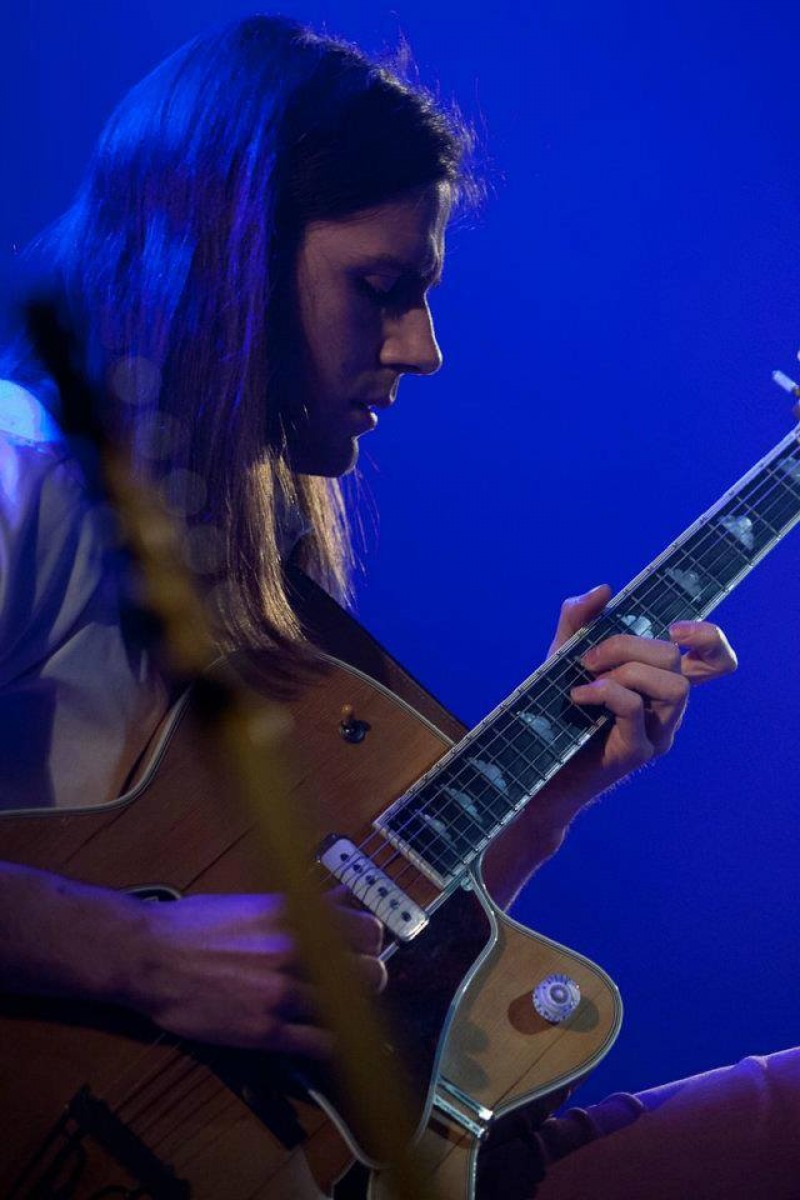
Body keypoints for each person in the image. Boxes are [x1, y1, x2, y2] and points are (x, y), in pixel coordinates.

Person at [0, 15, 794, 1199]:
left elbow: (360, 970)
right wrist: (141, 956)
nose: (422, 350)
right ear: (218, 258)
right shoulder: (22, 472)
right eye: (381, 289)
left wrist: (555, 790)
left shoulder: (243, 572)